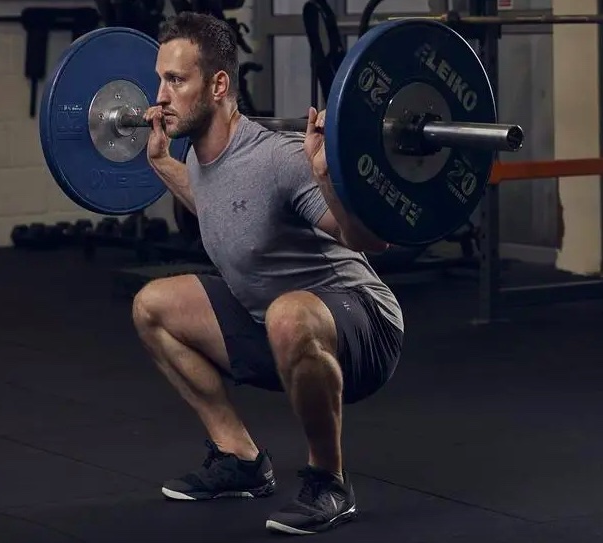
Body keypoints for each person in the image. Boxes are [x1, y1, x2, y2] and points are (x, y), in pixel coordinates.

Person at [131, 11, 404, 536]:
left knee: (287, 314)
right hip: (274, 322)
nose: (160, 96)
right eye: (160, 79)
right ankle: (240, 459)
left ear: (218, 85)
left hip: (364, 324)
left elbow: (371, 241)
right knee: (153, 307)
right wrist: (163, 164)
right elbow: (225, 209)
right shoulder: (205, 158)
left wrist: (325, 178)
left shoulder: (277, 159)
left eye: (175, 80)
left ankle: (330, 482)